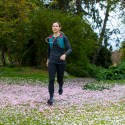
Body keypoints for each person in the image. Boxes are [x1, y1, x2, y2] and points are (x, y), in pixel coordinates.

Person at [46, 21, 72, 105]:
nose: (55, 27)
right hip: (52, 61)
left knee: (60, 79)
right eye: (53, 26)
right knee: (51, 79)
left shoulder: (63, 37)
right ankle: (51, 98)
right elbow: (49, 50)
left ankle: (60, 86)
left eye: (56, 26)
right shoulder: (50, 38)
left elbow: (69, 49)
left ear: (59, 28)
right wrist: (47, 59)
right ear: (52, 28)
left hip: (61, 62)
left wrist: (64, 55)